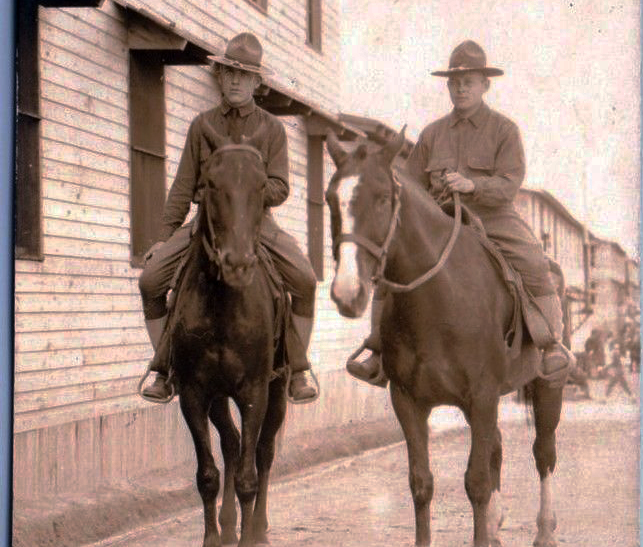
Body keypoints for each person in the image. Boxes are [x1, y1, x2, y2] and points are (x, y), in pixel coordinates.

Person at [347, 40, 575, 387]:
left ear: (485, 84)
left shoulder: (504, 130)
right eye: (454, 82)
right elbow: (411, 185)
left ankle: (549, 344)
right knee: (389, 264)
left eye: (469, 81)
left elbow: (511, 183)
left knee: (533, 260)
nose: (461, 88)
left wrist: (473, 186)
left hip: (493, 217)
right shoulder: (432, 133)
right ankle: (378, 349)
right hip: (439, 221)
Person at [138, 32, 318, 404]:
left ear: (256, 81)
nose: (236, 80)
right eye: (229, 72)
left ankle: (297, 368)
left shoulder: (272, 128)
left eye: (244, 74)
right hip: (207, 223)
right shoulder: (202, 125)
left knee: (305, 279)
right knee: (150, 280)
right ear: (219, 76)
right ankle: (165, 367)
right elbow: (183, 186)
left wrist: (246, 194)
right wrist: (164, 236)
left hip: (257, 224)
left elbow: (281, 186)